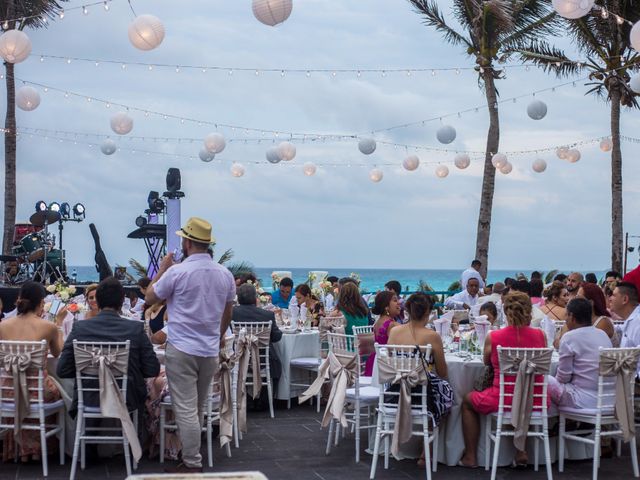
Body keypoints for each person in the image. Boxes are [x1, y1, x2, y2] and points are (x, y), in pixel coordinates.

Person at [144, 217, 235, 473]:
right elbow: (228, 312)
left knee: (185, 408)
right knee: (196, 407)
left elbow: (150, 296)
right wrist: (218, 336)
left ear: (187, 242)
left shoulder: (177, 271)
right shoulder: (225, 274)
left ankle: (193, 463)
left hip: (182, 347)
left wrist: (162, 268)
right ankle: (189, 457)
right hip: (208, 349)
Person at [460, 291, 547, 468]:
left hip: (502, 399)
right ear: (529, 312)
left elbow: (486, 361)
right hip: (535, 399)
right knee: (524, 393)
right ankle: (521, 451)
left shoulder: (494, 336)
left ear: (506, 313)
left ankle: (470, 456)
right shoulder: (541, 336)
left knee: (467, 402)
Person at [57, 277, 160, 416]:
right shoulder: (135, 329)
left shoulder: (80, 328)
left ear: (97, 301)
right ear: (123, 301)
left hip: (89, 398)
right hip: (127, 400)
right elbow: (152, 368)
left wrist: (88, 373)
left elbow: (62, 370)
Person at [0, 282, 65, 462]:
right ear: (41, 303)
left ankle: (22, 451)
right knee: (58, 392)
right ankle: (37, 450)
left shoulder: (3, 325)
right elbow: (58, 353)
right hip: (38, 392)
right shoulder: (48, 327)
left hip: (7, 391)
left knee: (26, 391)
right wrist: (58, 325)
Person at [548, 298, 612, 410]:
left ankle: (550, 422)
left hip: (581, 399)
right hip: (608, 398)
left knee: (544, 379)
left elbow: (563, 377)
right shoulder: (602, 334)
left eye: (566, 315)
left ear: (571, 316)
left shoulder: (569, 337)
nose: (565, 319)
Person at [233, 283, 283, 382]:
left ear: (238, 298)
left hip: (237, 358)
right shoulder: (267, 315)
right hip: (262, 361)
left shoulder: (231, 313)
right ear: (255, 298)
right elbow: (277, 337)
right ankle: (272, 395)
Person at [364, 291, 400, 376]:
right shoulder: (392, 325)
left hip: (374, 361)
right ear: (386, 307)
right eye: (395, 301)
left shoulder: (379, 321)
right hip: (386, 365)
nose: (398, 303)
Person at [609, 282, 640, 368]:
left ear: (625, 299)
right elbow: (619, 328)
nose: (610, 298)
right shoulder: (631, 319)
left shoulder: (637, 322)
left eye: (614, 295)